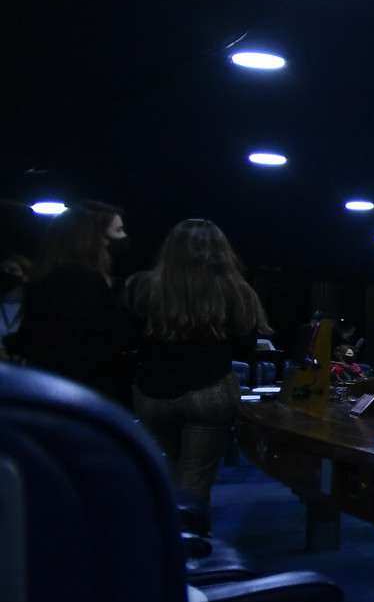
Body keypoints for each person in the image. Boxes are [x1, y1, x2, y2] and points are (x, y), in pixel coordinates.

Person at [123, 219, 269, 503]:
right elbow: (245, 350)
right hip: (210, 390)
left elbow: (127, 339)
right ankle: (191, 526)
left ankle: (166, 525)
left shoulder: (141, 287)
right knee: (196, 476)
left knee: (169, 469)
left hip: (153, 392)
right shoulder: (237, 291)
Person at [7, 200, 138, 401]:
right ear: (95, 237)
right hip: (80, 389)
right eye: (118, 230)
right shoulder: (77, 280)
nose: (124, 237)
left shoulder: (57, 276)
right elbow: (71, 343)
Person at [0, 253, 28, 352]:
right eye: (1, 270)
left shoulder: (34, 307)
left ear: (26, 276)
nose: (6, 273)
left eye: (12, 270)